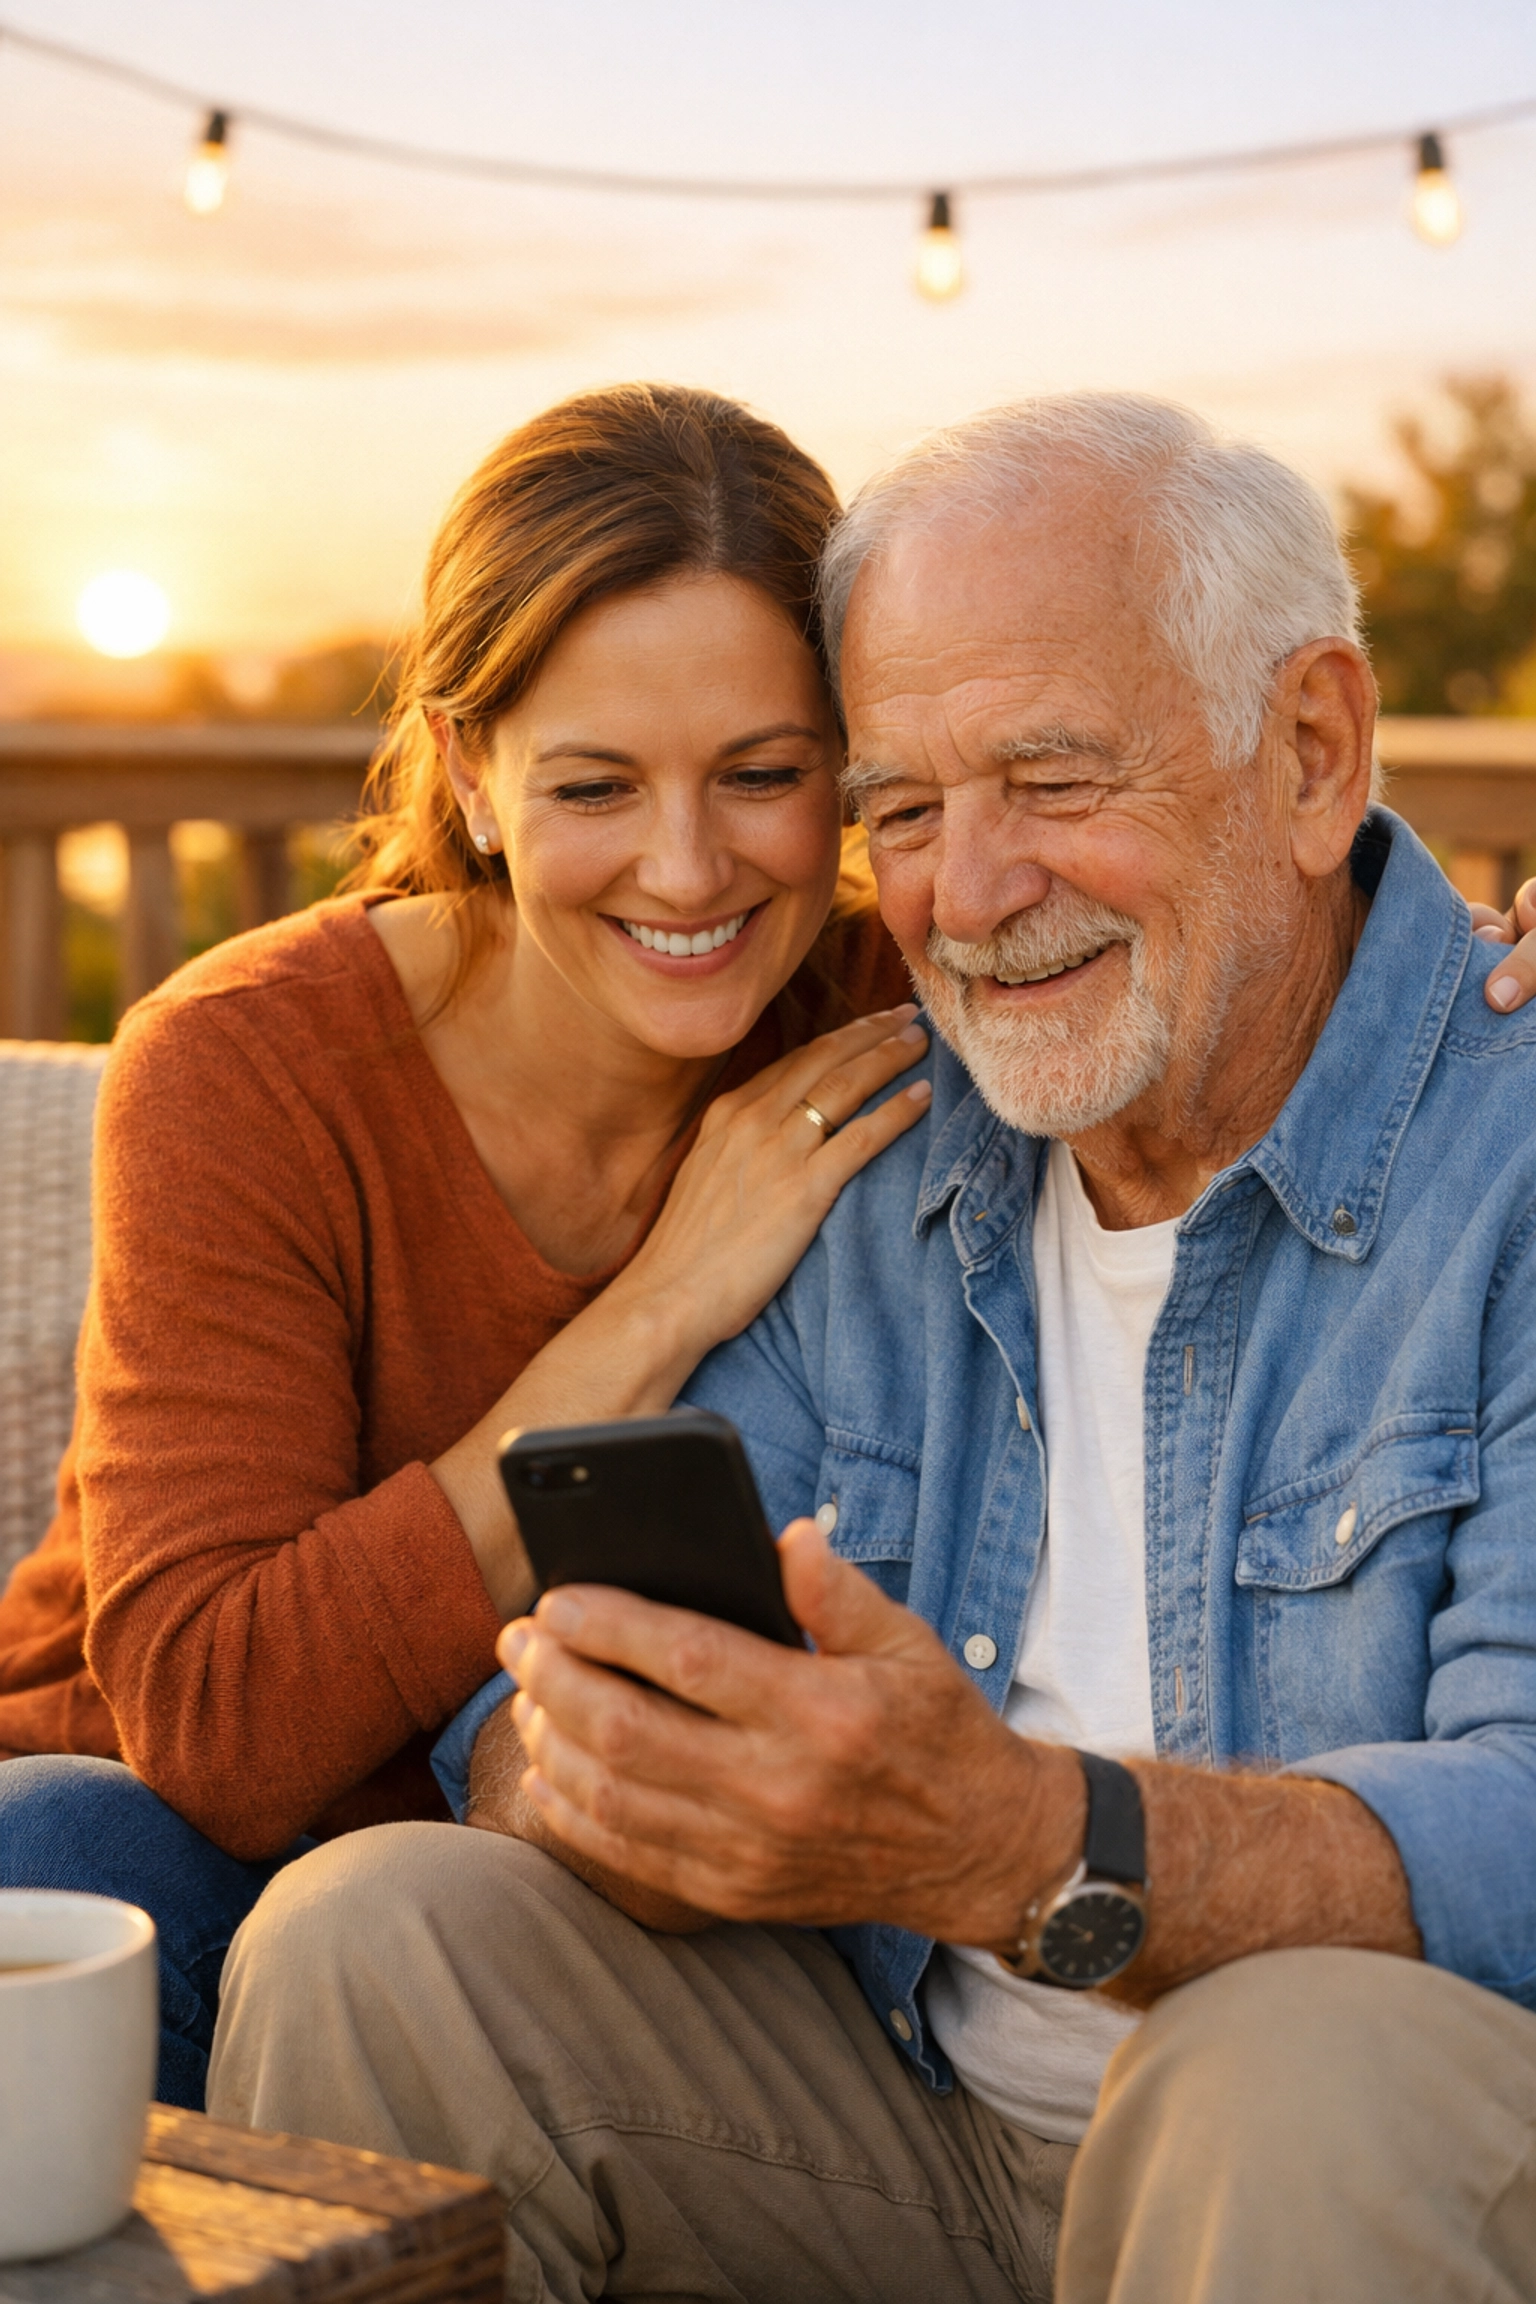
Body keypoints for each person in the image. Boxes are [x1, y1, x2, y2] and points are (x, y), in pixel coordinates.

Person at [209, 396, 1536, 2304]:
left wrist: (1019, 1843)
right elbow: (517, 1712)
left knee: (1279, 2063)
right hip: (911, 2122)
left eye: (1054, 781)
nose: (966, 898)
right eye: (899, 811)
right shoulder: (886, 1147)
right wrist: (620, 1783)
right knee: (378, 1930)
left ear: (1310, 754)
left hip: (1348, 2152)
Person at [0, 383, 932, 2106]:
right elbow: (216, 1721)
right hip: (187, 1851)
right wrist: (652, 1310)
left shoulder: (887, 1016)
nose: (685, 867)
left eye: (763, 775)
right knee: (48, 1853)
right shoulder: (248, 1065)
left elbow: (1222, 972)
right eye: (595, 784)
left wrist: (1479, 968)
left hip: (625, 1895)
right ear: (470, 778)